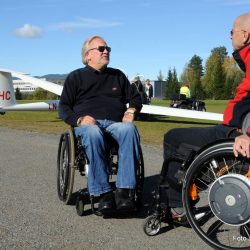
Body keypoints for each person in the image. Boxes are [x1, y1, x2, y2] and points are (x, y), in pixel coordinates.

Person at [163, 12, 250, 223]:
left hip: (236, 132)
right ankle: (191, 184)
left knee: (173, 138)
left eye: (232, 32)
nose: (230, 36)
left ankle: (178, 206)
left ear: (246, 35)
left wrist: (247, 134)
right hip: (236, 129)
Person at [59, 35, 142, 214]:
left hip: (115, 124)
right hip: (87, 125)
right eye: (102, 49)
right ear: (88, 55)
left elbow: (135, 98)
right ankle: (102, 193)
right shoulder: (76, 77)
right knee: (93, 132)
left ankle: (124, 191)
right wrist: (79, 120)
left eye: (108, 49)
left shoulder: (117, 76)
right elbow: (64, 108)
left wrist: (130, 111)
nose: (106, 52)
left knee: (129, 129)